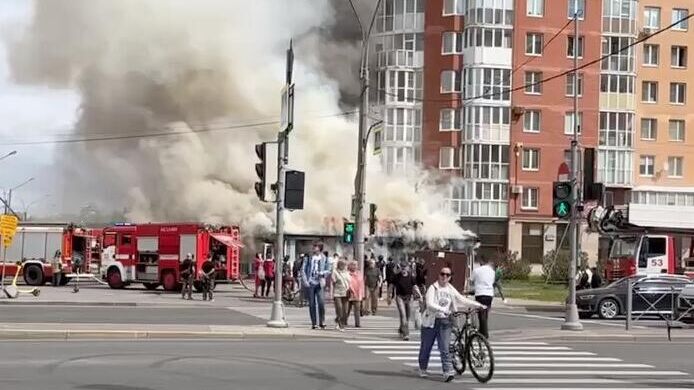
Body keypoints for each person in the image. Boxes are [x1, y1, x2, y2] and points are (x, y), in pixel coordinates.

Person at [418, 267, 485, 382]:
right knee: (426, 348)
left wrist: (478, 305)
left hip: (445, 322)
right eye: (442, 274)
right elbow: (429, 304)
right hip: (431, 322)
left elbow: (461, 299)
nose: (444, 277)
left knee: (444, 347)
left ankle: (447, 372)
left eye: (447, 275)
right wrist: (442, 309)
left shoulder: (450, 289)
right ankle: (423, 368)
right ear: (438, 275)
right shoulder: (433, 288)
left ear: (450, 277)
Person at [388, 261, 420, 340]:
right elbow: (391, 286)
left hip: (409, 297)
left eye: (405, 267)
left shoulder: (411, 277)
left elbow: (415, 286)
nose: (403, 269)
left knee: (408, 316)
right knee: (403, 315)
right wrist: (389, 297)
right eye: (402, 267)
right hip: (400, 297)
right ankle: (406, 334)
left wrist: (420, 295)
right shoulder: (396, 276)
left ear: (408, 268)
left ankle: (401, 329)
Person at [302, 244, 330, 329]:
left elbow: (328, 270)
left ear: (320, 248)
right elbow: (303, 269)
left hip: (319, 282)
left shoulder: (324, 258)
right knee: (312, 303)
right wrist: (305, 280)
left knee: (321, 302)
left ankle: (322, 321)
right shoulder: (309, 258)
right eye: (313, 247)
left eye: (316, 247)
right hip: (310, 282)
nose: (314, 248)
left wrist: (322, 274)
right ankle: (314, 323)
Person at [470, 256, 495, 339]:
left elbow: (471, 280)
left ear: (480, 262)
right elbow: (492, 281)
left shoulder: (477, 270)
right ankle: (482, 330)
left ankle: (484, 333)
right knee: (485, 313)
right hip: (489, 294)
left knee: (481, 314)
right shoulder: (492, 271)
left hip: (480, 293)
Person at [331, 259, 350, 331]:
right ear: (339, 265)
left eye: (345, 264)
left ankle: (338, 319)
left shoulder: (347, 272)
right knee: (339, 308)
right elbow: (333, 281)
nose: (344, 266)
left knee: (345, 310)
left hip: (346, 292)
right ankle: (340, 324)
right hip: (337, 292)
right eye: (342, 264)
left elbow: (349, 282)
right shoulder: (335, 272)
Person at [346, 261, 364, 327]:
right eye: (353, 265)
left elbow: (362, 284)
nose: (355, 266)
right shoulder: (347, 273)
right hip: (349, 293)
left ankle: (357, 323)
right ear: (349, 266)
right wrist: (351, 290)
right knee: (346, 309)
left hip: (357, 293)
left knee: (357, 309)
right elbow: (347, 283)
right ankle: (344, 321)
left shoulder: (359, 273)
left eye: (356, 265)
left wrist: (362, 294)